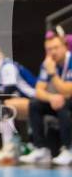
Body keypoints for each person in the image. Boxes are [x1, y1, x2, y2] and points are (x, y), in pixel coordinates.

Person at [19, 34, 72, 166]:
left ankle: (68, 149)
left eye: (56, 47)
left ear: (65, 47)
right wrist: (51, 97)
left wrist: (52, 74)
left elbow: (68, 91)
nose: (52, 52)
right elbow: (38, 91)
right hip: (61, 101)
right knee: (35, 104)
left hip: (68, 100)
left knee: (63, 104)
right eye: (49, 49)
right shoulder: (47, 63)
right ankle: (41, 149)